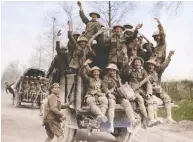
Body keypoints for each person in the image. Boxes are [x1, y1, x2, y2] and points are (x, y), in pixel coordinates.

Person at [102, 63, 139, 133]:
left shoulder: (118, 77)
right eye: (111, 70)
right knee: (112, 104)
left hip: (119, 95)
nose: (112, 72)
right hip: (111, 95)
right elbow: (104, 87)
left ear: (116, 71)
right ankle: (111, 125)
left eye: (114, 70)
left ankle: (133, 121)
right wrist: (109, 93)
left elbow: (124, 75)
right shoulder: (105, 78)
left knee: (126, 102)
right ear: (108, 71)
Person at [121, 57, 156, 128]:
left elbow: (148, 83)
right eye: (135, 62)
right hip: (132, 90)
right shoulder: (130, 70)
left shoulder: (143, 72)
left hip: (141, 90)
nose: (137, 63)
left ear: (141, 64)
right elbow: (124, 74)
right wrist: (129, 63)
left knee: (150, 100)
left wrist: (149, 93)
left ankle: (152, 119)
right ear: (134, 63)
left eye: (138, 62)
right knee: (140, 99)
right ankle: (146, 118)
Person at [146, 50, 176, 124]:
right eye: (149, 65)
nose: (150, 66)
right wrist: (153, 88)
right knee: (152, 100)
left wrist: (169, 57)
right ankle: (152, 120)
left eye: (152, 65)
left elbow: (164, 65)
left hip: (157, 90)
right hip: (148, 91)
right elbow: (145, 85)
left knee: (167, 98)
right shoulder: (144, 73)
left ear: (154, 66)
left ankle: (169, 117)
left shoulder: (156, 73)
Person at [80, 59, 108, 123]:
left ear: (99, 73)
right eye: (94, 72)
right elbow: (81, 72)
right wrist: (85, 64)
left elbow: (104, 88)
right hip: (90, 95)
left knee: (104, 100)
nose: (96, 73)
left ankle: (101, 116)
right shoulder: (89, 79)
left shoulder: (101, 81)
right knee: (90, 102)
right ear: (92, 73)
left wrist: (104, 93)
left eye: (97, 72)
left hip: (99, 95)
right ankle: (101, 115)